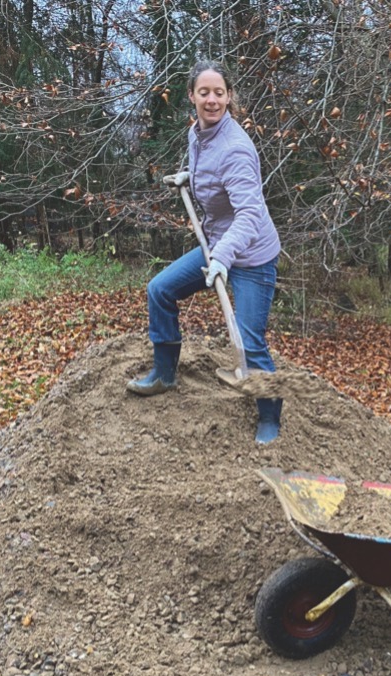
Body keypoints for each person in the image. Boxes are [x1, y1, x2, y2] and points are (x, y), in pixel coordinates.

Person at [128, 59, 284, 445]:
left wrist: (223, 258)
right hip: (216, 246)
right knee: (159, 290)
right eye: (204, 92)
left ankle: (269, 417)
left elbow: (249, 214)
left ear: (230, 97)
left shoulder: (236, 150)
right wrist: (190, 178)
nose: (212, 100)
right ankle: (164, 374)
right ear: (192, 97)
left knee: (249, 342)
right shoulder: (198, 134)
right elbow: (210, 171)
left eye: (219, 93)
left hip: (251, 256)